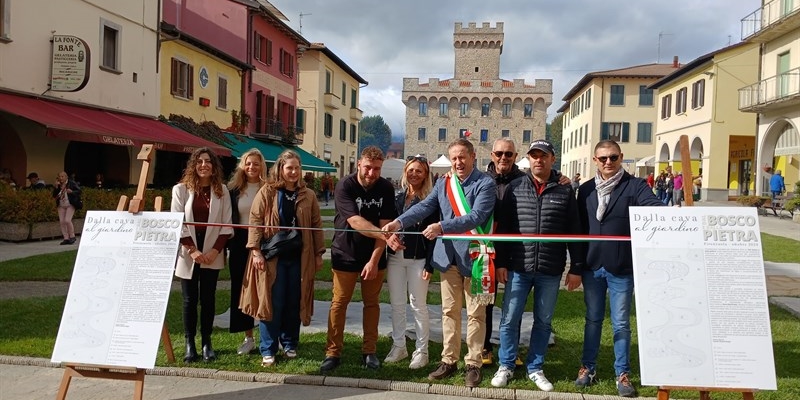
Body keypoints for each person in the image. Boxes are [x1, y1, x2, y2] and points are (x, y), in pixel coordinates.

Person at [383, 138, 496, 388]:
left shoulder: (485, 183)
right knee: (449, 312)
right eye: (454, 158)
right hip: (449, 259)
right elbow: (424, 207)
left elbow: (476, 216)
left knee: (476, 314)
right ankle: (449, 359)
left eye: (462, 157)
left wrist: (442, 226)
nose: (458, 162)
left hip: (476, 257)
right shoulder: (444, 183)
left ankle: (474, 363)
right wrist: (398, 223)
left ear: (472, 156)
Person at [490, 139, 586, 390]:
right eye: (534, 156)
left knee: (543, 321)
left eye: (544, 156)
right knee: (510, 319)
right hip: (518, 267)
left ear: (553, 159)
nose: (538, 160)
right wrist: (500, 262)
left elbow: (574, 232)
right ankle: (506, 365)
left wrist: (576, 267)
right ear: (528, 159)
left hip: (550, 269)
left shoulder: (565, 190)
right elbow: (505, 229)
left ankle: (535, 367)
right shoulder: (515, 187)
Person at [574, 140, 664, 398]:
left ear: (621, 157)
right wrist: (578, 266)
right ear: (595, 160)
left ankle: (621, 373)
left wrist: (676, 214)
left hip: (621, 268)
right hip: (593, 266)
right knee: (592, 320)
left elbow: (655, 209)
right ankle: (587, 368)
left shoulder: (635, 186)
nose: (608, 163)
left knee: (621, 323)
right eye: (603, 158)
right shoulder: (587, 189)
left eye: (613, 157)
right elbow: (580, 227)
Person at [243, 150, 325, 367]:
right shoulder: (268, 192)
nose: (294, 172)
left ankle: (289, 343)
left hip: (299, 258)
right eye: (289, 168)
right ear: (280, 168)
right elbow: (255, 220)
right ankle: (268, 348)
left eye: (297, 168)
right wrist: (255, 251)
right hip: (273, 259)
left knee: (293, 301)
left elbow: (316, 225)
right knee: (272, 302)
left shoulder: (308, 195)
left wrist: (318, 253)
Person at [320, 146, 397, 372]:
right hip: (345, 253)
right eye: (368, 168)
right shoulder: (345, 185)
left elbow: (386, 225)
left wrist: (374, 260)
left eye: (377, 169)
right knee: (339, 303)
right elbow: (355, 222)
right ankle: (333, 352)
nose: (372, 173)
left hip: (374, 255)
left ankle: (369, 351)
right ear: (359, 164)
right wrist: (384, 235)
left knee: (371, 304)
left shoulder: (385, 188)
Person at [171, 147, 233, 363]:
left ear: (214, 166)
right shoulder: (180, 190)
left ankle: (207, 343)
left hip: (212, 252)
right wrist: (193, 250)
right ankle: (190, 344)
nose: (204, 165)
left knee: (208, 299)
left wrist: (214, 251)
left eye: (208, 161)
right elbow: (176, 223)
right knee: (189, 300)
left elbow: (226, 225)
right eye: (199, 161)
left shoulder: (222, 191)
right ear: (193, 165)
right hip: (189, 254)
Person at [383, 155, 437, 370]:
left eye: (419, 171)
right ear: (405, 171)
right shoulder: (397, 196)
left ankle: (421, 350)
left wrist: (430, 264)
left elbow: (434, 235)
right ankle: (399, 346)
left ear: (426, 175)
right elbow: (387, 224)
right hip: (395, 258)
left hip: (418, 258)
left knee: (418, 305)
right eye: (411, 170)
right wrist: (389, 238)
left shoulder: (430, 200)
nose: (414, 174)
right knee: (396, 304)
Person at [224, 149, 267, 356]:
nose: (252, 167)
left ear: (262, 166)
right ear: (243, 165)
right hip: (240, 243)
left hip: (265, 242)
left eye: (256, 164)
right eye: (248, 163)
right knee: (242, 290)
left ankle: (269, 337)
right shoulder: (232, 190)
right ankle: (248, 337)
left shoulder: (269, 189)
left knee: (266, 290)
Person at [52, 171, 81, 245]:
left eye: (62, 176)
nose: (61, 178)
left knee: (67, 220)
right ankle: (66, 238)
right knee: (62, 222)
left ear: (66, 177)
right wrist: (56, 187)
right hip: (61, 204)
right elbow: (54, 195)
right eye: (59, 177)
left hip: (70, 204)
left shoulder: (71, 183)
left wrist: (72, 192)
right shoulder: (58, 185)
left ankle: (72, 236)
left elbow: (79, 191)